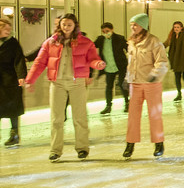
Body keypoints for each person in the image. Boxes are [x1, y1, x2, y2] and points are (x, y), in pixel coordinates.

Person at [24, 13, 106, 161]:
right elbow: (39, 62)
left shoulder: (85, 42)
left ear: (75, 26)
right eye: (64, 24)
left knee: (79, 117)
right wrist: (30, 80)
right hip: (57, 83)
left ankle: (82, 148)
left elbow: (93, 59)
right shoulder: (50, 42)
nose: (66, 27)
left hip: (77, 83)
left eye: (69, 25)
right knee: (56, 118)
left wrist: (97, 64)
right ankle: (55, 150)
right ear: (59, 25)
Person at [122, 13, 169, 159]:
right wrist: (126, 78)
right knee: (133, 116)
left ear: (143, 25)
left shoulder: (154, 41)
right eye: (131, 25)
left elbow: (162, 61)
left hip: (151, 83)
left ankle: (158, 142)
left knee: (155, 115)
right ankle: (130, 143)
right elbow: (131, 64)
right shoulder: (130, 42)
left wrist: (155, 74)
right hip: (135, 83)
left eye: (135, 25)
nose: (132, 27)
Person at [0, 17, 27, 147]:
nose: (8, 31)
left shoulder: (13, 43)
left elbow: (19, 59)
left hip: (10, 80)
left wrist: (21, 76)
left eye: (9, 29)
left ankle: (14, 134)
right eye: (5, 29)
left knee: (13, 109)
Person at [95, 21, 129, 115]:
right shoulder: (101, 39)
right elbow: (91, 46)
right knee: (109, 87)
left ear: (112, 29)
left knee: (122, 85)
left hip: (120, 66)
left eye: (107, 31)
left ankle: (127, 103)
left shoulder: (120, 38)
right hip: (108, 67)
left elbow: (128, 48)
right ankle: (108, 106)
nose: (106, 33)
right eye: (104, 31)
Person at [164, 21, 184, 102]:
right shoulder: (171, 37)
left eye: (178, 27)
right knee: (177, 78)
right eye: (175, 27)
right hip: (175, 61)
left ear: (181, 28)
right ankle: (179, 94)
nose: (176, 29)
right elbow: (166, 44)